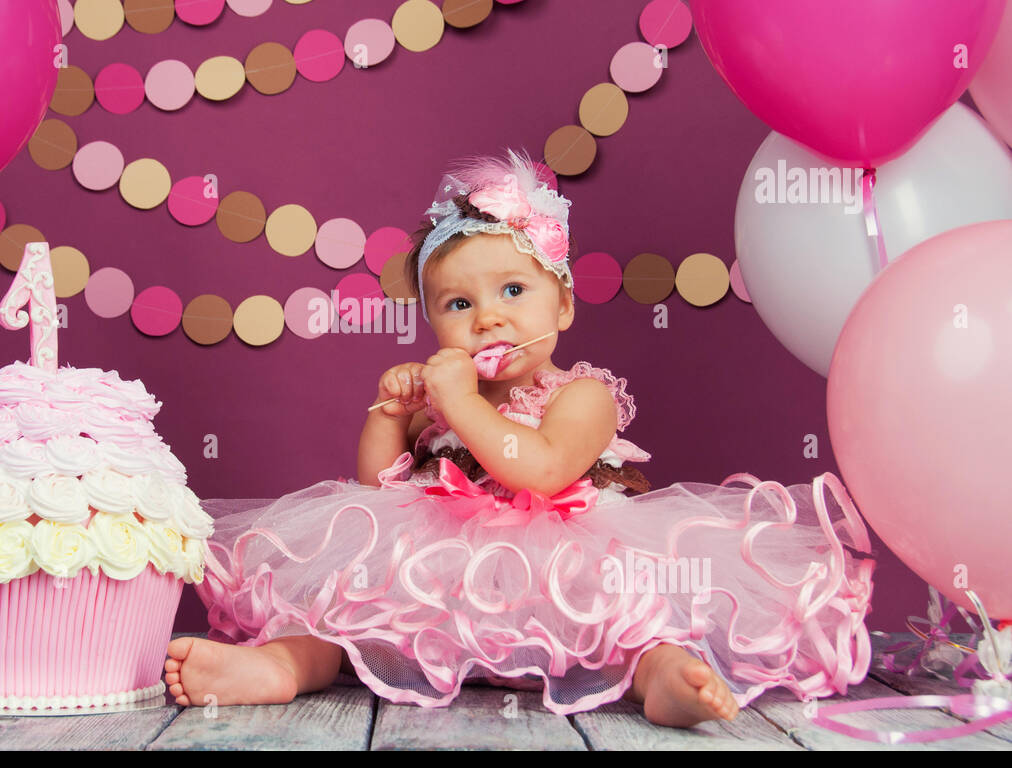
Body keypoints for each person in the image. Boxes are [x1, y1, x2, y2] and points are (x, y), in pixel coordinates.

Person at [166, 149, 875, 727]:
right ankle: (283, 666)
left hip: (562, 565)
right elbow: (371, 489)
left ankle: (661, 679)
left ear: (561, 303)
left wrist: (458, 402)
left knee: (626, 623)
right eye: (458, 304)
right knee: (344, 609)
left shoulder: (583, 395)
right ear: (433, 319)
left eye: (513, 292)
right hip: (438, 570)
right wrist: (390, 413)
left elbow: (537, 469)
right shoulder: (442, 400)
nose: (487, 320)